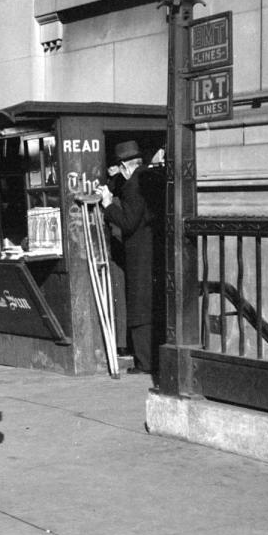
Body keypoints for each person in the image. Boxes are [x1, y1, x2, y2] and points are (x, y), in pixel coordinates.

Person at [96, 140, 158, 378]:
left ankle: (144, 362)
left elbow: (128, 222)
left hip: (139, 254)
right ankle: (151, 358)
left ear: (124, 166)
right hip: (153, 251)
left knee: (139, 306)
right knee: (150, 304)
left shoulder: (133, 185)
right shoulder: (150, 177)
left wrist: (109, 205)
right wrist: (116, 179)